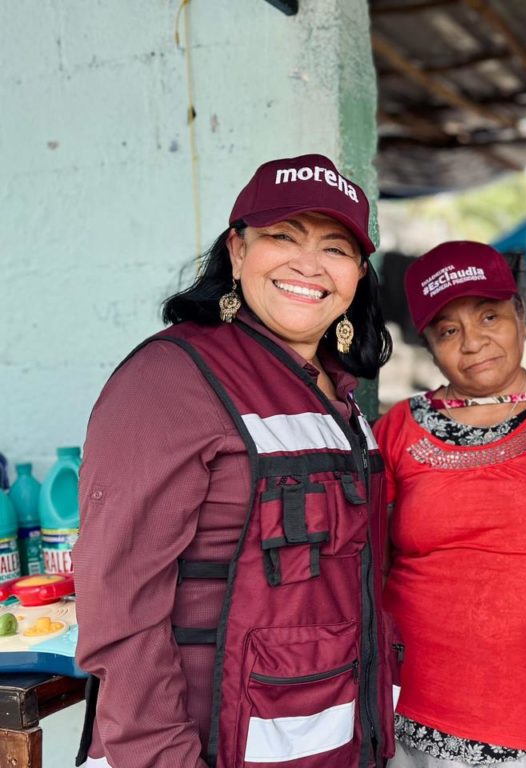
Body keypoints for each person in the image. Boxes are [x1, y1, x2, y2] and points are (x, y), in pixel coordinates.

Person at [74, 153, 399, 768]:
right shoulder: (171, 380)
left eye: (336, 248)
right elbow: (119, 607)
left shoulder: (336, 391)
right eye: (283, 237)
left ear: (358, 272)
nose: (309, 264)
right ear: (238, 249)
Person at [374, 241, 526, 768]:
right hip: (430, 718)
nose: (474, 342)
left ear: (521, 318)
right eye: (448, 330)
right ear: (428, 345)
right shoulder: (396, 430)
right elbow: (365, 557)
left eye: (489, 316)